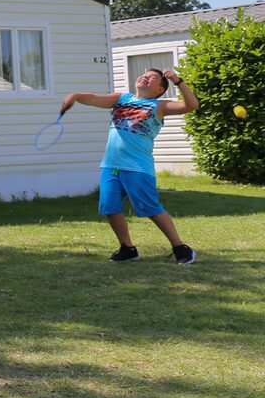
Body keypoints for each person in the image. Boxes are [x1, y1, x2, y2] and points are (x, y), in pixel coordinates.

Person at [61, 67, 199, 264]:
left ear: (160, 90)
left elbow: (191, 105)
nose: (145, 77)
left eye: (152, 77)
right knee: (110, 207)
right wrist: (74, 96)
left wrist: (178, 81)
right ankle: (127, 249)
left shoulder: (159, 106)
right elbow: (93, 98)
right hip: (111, 165)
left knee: (151, 208)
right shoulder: (122, 99)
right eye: (145, 74)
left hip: (137, 166)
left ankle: (181, 248)